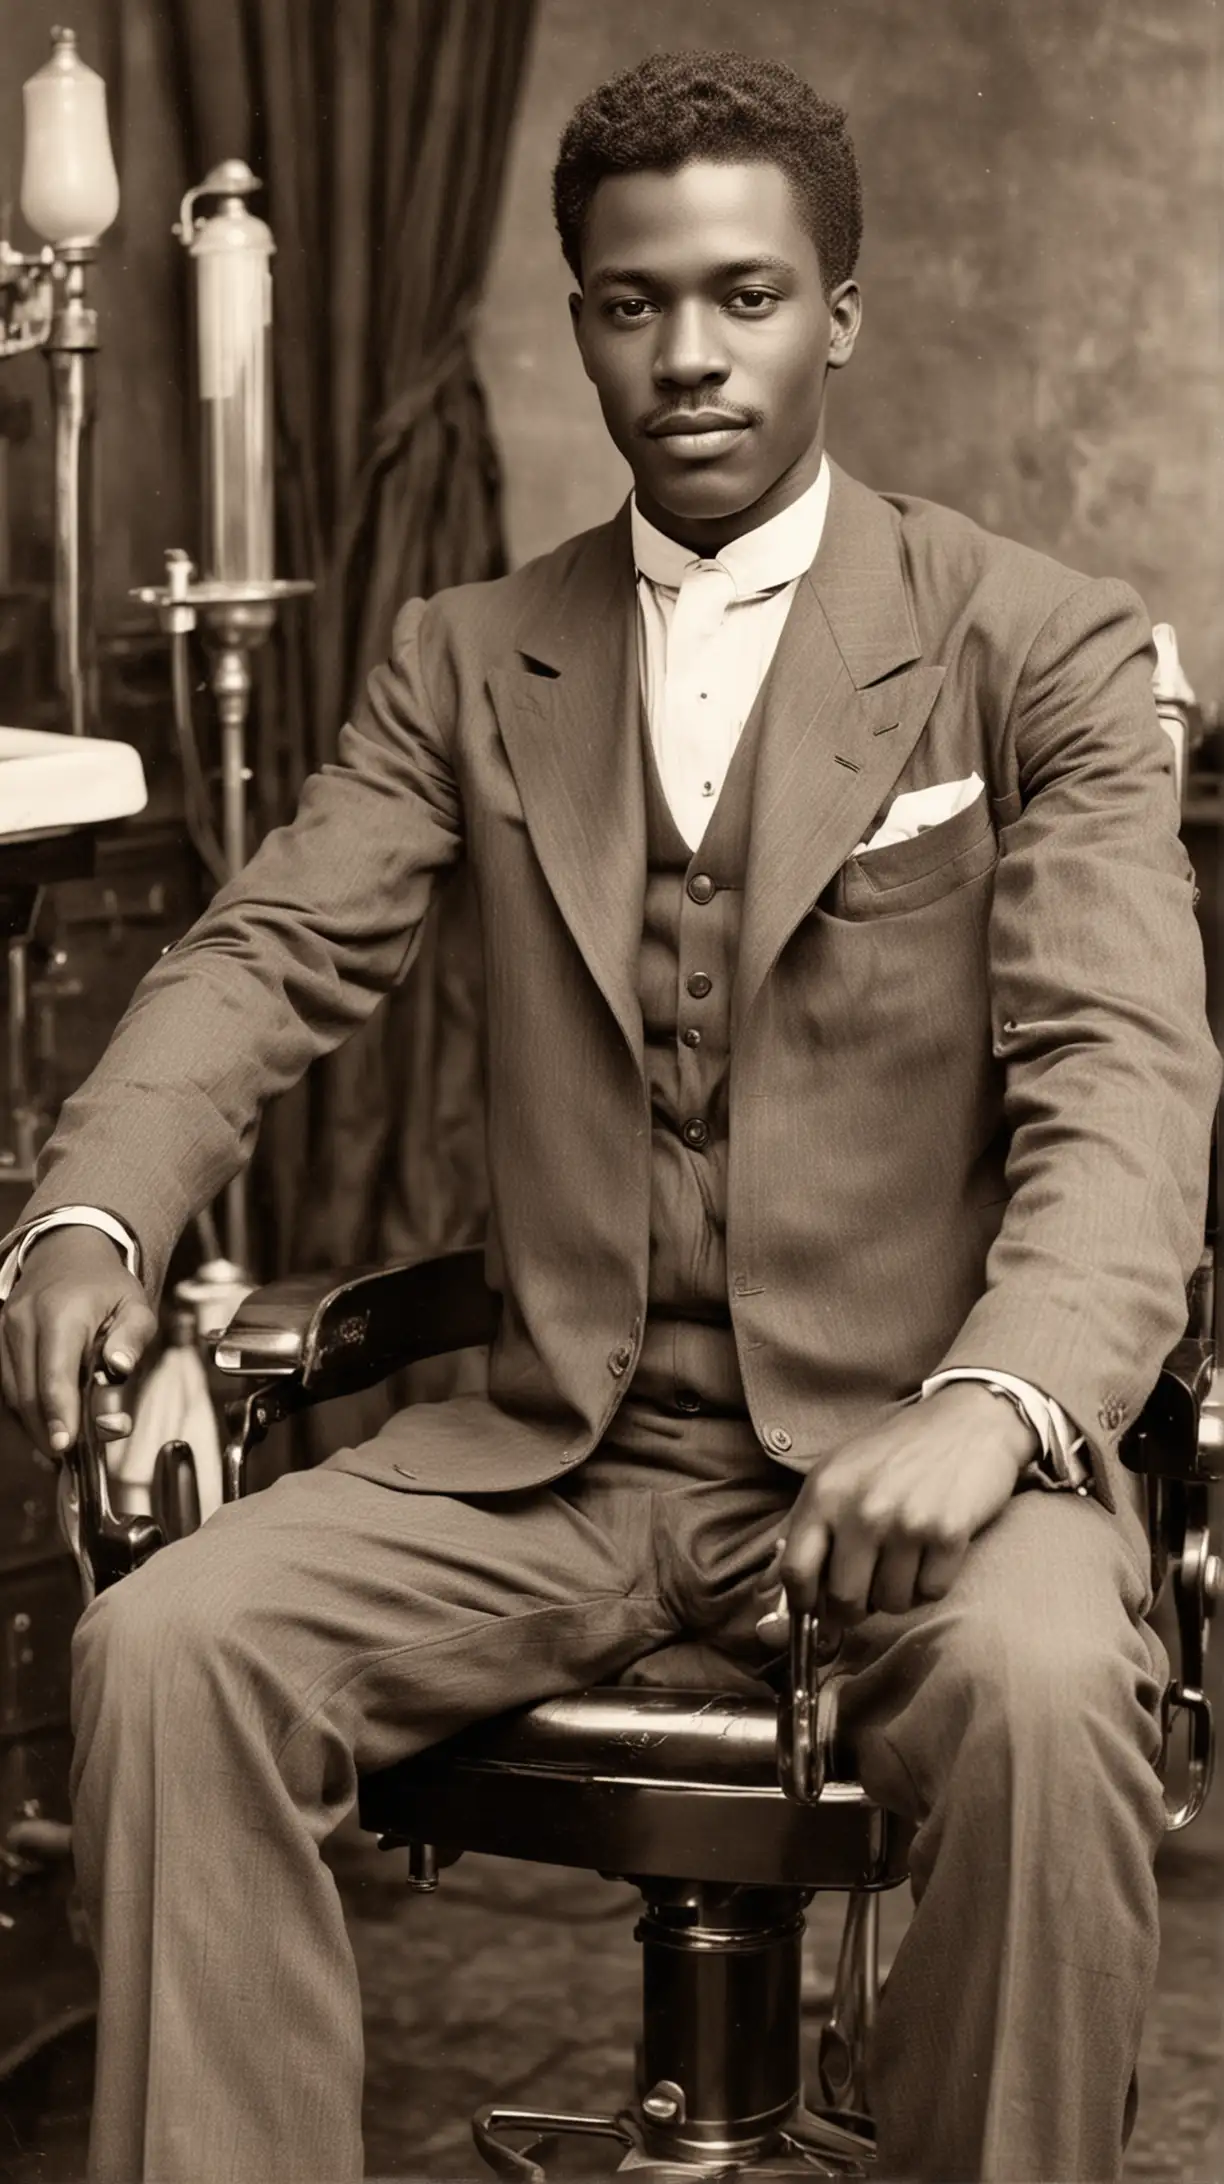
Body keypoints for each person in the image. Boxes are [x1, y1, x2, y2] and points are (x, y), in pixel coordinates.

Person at [0, 48, 1218, 2184]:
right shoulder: (467, 655)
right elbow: (270, 948)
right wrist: (86, 1219)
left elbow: (1124, 1064)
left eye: (746, 298)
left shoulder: (1038, 647)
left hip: (918, 1457)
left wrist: (1003, 1397)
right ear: (579, 320)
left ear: (837, 313)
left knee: (1041, 1696)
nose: (691, 354)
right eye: (636, 303)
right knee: (170, 1646)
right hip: (554, 1461)